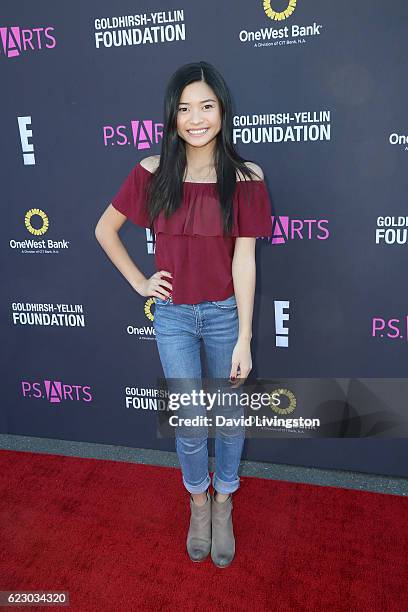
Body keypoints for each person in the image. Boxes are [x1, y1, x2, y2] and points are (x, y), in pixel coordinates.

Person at [95, 61, 272, 568]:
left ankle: (224, 502)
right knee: (192, 420)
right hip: (172, 315)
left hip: (222, 315)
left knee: (231, 417)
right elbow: (104, 230)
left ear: (223, 110)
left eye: (206, 106)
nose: (196, 118)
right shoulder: (152, 171)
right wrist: (140, 282)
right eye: (184, 108)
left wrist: (244, 336)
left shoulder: (246, 177)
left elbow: (245, 259)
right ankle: (197, 502)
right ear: (172, 115)